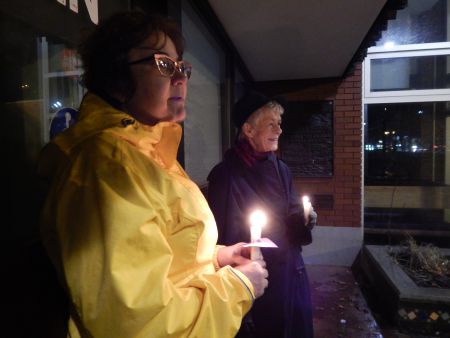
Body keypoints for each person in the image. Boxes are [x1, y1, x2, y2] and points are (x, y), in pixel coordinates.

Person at [37, 11, 268, 338]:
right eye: (163, 64)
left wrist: (218, 257)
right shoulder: (108, 165)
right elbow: (135, 322)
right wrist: (237, 287)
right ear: (117, 79)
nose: (181, 78)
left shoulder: (149, 150)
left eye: (182, 67)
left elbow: (166, 254)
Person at [207, 91, 317, 338]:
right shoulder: (225, 176)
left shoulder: (282, 168)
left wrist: (305, 219)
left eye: (279, 124)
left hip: (291, 274)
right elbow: (222, 238)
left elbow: (291, 211)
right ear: (248, 130)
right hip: (258, 280)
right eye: (271, 124)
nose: (279, 130)